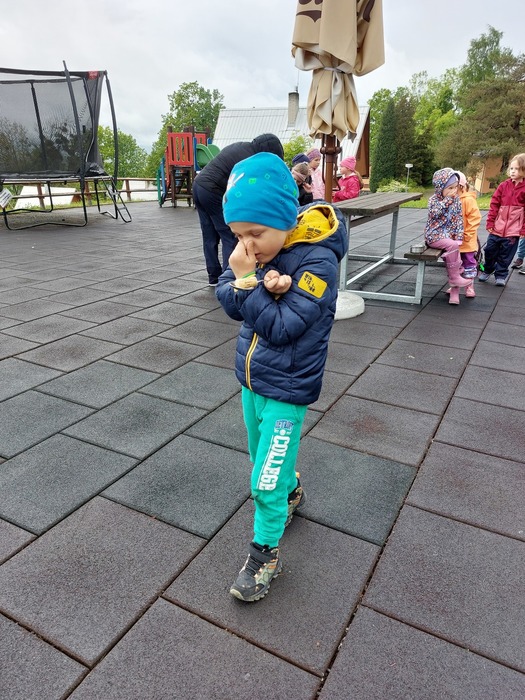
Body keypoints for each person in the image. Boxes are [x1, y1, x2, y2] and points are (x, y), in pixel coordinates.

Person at [216, 151, 348, 602]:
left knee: (264, 477)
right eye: (238, 235)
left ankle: (265, 553)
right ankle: (292, 493)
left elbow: (282, 327)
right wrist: (247, 280)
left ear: (286, 218)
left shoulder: (318, 263)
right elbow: (226, 293)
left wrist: (250, 283)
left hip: (288, 389)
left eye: (255, 233)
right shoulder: (254, 253)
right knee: (260, 456)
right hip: (252, 379)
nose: (247, 246)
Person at [192, 133, 284, 286]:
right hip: (213, 189)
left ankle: (213, 276)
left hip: (198, 185)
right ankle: (231, 277)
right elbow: (251, 189)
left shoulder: (241, 146)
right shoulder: (252, 160)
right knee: (230, 234)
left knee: (209, 235)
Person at [424, 168, 471, 305]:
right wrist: (446, 201)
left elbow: (459, 219)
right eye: (450, 188)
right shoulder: (433, 200)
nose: (453, 191)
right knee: (452, 247)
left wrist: (459, 237)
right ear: (440, 188)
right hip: (434, 236)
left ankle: (455, 288)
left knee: (455, 252)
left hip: (449, 237)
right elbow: (435, 214)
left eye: (455, 187)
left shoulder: (456, 200)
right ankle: (456, 278)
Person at [480, 153, 525, 286]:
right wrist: (490, 222)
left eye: (517, 169)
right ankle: (488, 269)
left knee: (506, 254)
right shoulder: (503, 186)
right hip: (497, 228)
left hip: (513, 230)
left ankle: (501, 275)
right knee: (489, 250)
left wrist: (523, 229)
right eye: (511, 168)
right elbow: (494, 204)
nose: (513, 171)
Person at [446, 170, 481, 298]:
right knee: (454, 265)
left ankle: (469, 286)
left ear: (461, 186)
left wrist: (467, 234)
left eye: (453, 187)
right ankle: (455, 285)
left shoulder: (468, 200)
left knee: (469, 264)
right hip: (454, 242)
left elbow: (474, 218)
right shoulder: (450, 200)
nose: (451, 190)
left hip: (467, 241)